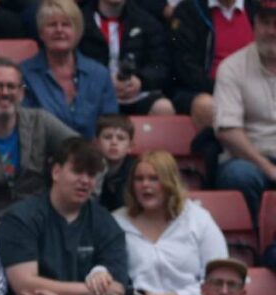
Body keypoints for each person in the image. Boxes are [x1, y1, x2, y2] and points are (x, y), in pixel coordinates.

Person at [0, 138, 147, 295]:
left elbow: (117, 289)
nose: (85, 181)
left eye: (91, 174)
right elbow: (24, 284)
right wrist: (88, 291)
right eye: (77, 171)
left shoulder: (104, 222)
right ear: (56, 172)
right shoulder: (23, 217)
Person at [113, 151, 228, 295]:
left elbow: (219, 279)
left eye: (154, 178)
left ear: (169, 182)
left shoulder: (198, 219)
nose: (145, 185)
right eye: (139, 179)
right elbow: (106, 266)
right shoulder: (117, 221)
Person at [0, 58, 78, 217]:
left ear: (21, 93)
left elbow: (85, 153)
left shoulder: (40, 122)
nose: (5, 92)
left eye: (11, 86)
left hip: (40, 219)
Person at [213, 0, 276, 223]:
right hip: (250, 160)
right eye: (265, 23)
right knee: (238, 175)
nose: (271, 31)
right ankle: (257, 244)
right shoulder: (232, 67)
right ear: (254, 25)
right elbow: (228, 130)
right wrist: (268, 168)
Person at [21, 0, 118, 139]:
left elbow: (111, 124)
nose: (59, 30)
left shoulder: (99, 74)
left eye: (66, 25)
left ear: (78, 31)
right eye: (52, 25)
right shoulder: (25, 74)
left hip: (91, 156)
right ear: (41, 33)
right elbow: (25, 128)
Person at [170, 0, 258, 131]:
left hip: (255, 89)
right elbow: (186, 67)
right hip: (203, 90)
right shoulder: (189, 10)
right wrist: (228, 89)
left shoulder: (257, 9)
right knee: (207, 106)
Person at [78, 0, 175, 115]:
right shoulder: (80, 21)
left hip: (136, 95)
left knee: (163, 108)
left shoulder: (146, 21)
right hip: (93, 94)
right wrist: (103, 80)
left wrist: (140, 81)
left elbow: (162, 65)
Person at [94, 115, 136, 211]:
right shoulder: (89, 169)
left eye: (121, 138)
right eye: (107, 137)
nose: (114, 142)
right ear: (96, 143)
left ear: (130, 146)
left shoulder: (136, 170)